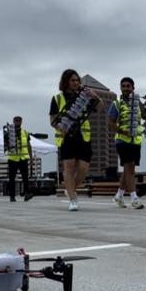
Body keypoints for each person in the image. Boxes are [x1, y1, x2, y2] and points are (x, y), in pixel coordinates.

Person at [49, 69, 97, 211]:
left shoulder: (85, 95)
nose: (76, 82)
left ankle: (71, 189)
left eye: (77, 80)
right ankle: (73, 199)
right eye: (72, 80)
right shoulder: (57, 98)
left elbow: (100, 108)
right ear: (66, 82)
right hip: (67, 136)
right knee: (68, 167)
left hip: (83, 136)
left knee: (83, 168)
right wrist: (59, 127)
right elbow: (52, 120)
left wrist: (95, 97)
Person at [107, 77, 146, 209]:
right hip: (122, 140)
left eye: (128, 86)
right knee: (130, 167)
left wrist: (143, 108)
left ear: (133, 88)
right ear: (120, 88)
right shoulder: (116, 103)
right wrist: (122, 131)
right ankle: (134, 198)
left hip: (136, 141)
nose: (126, 88)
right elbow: (110, 123)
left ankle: (118, 196)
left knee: (128, 169)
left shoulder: (137, 102)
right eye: (123, 86)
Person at [5, 116, 34, 202]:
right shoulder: (9, 132)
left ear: (21, 122)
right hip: (13, 159)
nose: (17, 122)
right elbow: (6, 145)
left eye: (19, 121)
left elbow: (29, 145)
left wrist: (31, 158)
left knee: (25, 178)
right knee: (12, 179)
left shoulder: (25, 132)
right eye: (16, 121)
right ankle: (12, 196)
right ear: (13, 121)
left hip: (23, 158)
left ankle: (27, 193)